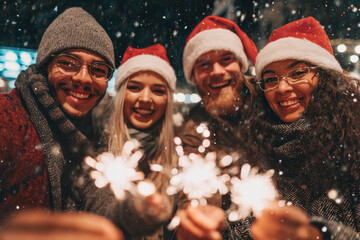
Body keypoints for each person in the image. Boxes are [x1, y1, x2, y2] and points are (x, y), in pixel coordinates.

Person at [0, 7, 124, 240]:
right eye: (68, 63)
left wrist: (136, 213)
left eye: (98, 70)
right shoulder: (8, 117)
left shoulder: (92, 137)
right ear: (46, 66)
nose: (83, 78)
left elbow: (99, 198)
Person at [251, 17, 360, 239]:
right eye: (271, 79)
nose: (282, 88)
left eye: (298, 73)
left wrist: (319, 234)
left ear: (325, 77)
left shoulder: (353, 143)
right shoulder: (255, 145)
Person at [81, 44, 177, 239]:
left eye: (158, 91)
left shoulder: (179, 157)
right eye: (134, 88)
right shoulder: (97, 149)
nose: (145, 98)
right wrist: (130, 213)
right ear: (121, 95)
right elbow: (98, 207)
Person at [177, 15, 258, 239]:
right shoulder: (194, 127)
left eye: (225, 59)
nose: (216, 71)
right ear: (194, 76)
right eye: (204, 64)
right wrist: (198, 219)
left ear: (241, 65)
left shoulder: (270, 100)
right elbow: (196, 189)